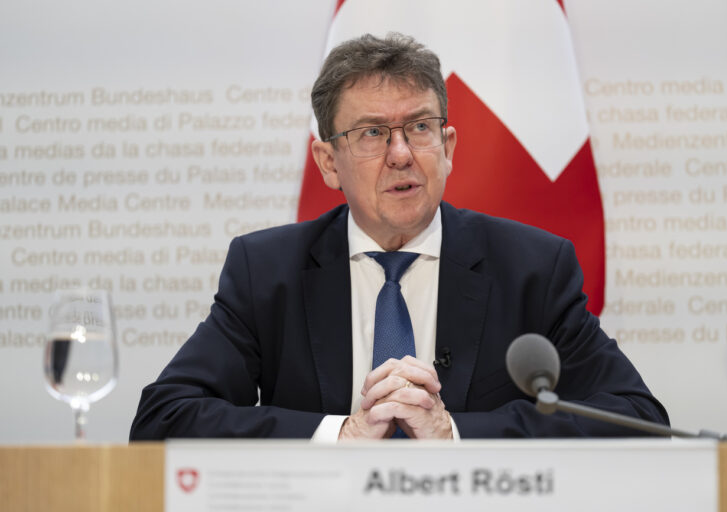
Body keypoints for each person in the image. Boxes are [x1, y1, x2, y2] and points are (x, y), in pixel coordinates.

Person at [129, 33, 668, 441]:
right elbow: (164, 418)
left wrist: (454, 435)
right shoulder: (267, 271)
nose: (402, 153)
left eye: (419, 127)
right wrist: (339, 436)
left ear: (449, 146)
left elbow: (638, 417)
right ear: (327, 162)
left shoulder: (532, 268)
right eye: (371, 133)